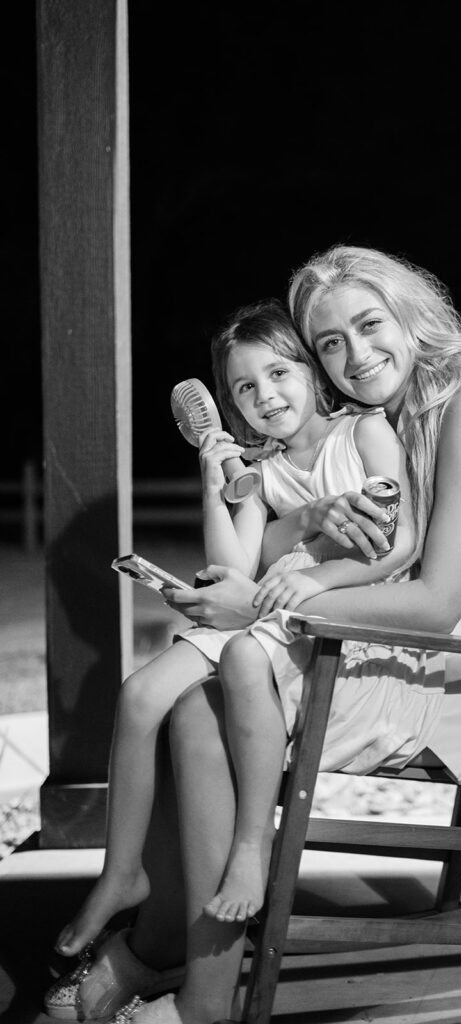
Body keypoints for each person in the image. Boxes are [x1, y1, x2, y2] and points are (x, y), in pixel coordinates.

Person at [47, 245, 461, 1024]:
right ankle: (165, 937)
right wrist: (282, 560)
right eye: (329, 342)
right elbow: (313, 543)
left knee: (204, 711)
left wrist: (279, 605)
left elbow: (437, 603)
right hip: (404, 653)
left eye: (369, 325)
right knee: (185, 699)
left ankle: (194, 986)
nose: (355, 355)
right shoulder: (393, 420)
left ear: (412, 315)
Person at [45, 296, 414, 1019]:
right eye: (245, 388)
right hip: (267, 607)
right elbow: (232, 566)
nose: (264, 396)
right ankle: (122, 874)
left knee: (194, 685)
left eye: (278, 373)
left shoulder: (363, 430)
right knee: (140, 693)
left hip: (332, 614)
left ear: (312, 372)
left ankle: (236, 859)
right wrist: (219, 484)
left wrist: (304, 550)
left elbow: (396, 542)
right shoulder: (264, 469)